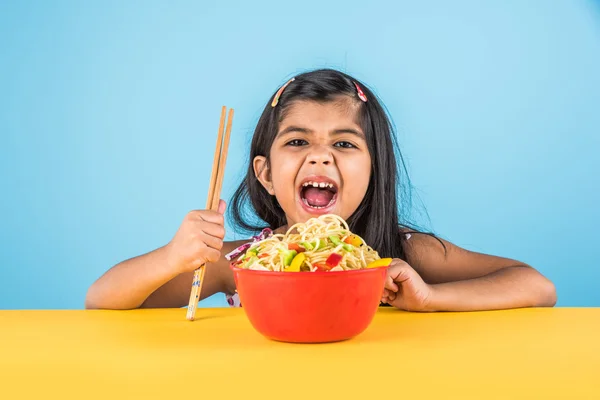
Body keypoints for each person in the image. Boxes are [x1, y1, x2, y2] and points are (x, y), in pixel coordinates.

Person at [85, 68, 557, 312]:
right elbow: (102, 300)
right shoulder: (245, 262)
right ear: (266, 173)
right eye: (297, 141)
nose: (320, 156)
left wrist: (431, 298)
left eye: (345, 143)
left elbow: (536, 285)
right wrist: (174, 256)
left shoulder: (400, 254)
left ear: (374, 170)